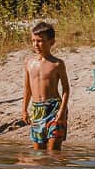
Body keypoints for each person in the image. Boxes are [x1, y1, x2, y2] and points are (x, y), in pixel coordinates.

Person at [23, 21, 70, 150]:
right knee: (38, 152)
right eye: (33, 41)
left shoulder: (57, 64)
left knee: (54, 150)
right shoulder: (29, 63)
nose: (36, 44)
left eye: (40, 41)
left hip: (54, 108)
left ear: (51, 42)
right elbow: (27, 89)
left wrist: (61, 111)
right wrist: (24, 110)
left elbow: (66, 90)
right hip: (36, 109)